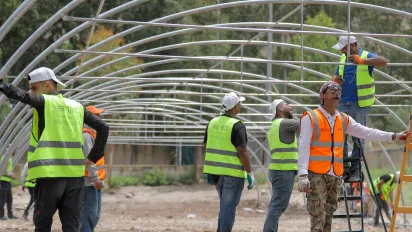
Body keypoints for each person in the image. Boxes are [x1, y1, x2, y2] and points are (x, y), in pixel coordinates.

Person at [0, 67, 109, 232]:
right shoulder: (78, 107)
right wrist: (93, 157)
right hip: (74, 177)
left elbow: (21, 95)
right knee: (72, 226)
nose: (32, 92)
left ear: (48, 85)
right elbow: (103, 127)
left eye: (34, 88)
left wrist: (3, 85)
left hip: (50, 175)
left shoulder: (45, 102)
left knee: (43, 224)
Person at [297, 81, 408, 232]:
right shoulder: (310, 118)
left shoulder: (343, 119)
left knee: (328, 217)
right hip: (316, 174)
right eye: (332, 90)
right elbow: (303, 146)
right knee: (318, 216)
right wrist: (303, 174)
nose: (337, 91)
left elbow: (366, 132)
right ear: (322, 95)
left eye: (338, 90)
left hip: (335, 174)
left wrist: (393, 136)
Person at [332, 35, 388, 181]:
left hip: (360, 104)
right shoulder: (343, 59)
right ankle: (343, 168)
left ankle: (355, 170)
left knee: (358, 136)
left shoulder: (365, 56)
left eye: (344, 49)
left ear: (353, 45)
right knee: (340, 136)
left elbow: (383, 61)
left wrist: (363, 61)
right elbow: (337, 74)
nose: (342, 52)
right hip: (343, 103)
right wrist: (336, 79)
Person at [203, 92, 255, 232]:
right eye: (240, 103)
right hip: (233, 174)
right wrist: (250, 172)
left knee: (224, 207)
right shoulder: (237, 125)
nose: (240, 106)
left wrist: (209, 169)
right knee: (228, 208)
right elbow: (242, 151)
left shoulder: (212, 123)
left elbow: (206, 146)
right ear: (236, 107)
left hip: (216, 174)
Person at [263, 99, 300, 232]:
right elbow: (300, 123)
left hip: (278, 170)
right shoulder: (283, 123)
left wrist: (287, 111)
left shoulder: (274, 125)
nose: (289, 106)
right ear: (280, 109)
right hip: (284, 171)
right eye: (285, 105)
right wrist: (290, 112)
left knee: (275, 204)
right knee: (279, 206)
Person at [80, 106, 106, 232]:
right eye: (97, 116)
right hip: (89, 182)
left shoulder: (93, 135)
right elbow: (89, 161)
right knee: (88, 215)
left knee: (94, 216)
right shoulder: (86, 136)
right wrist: (96, 178)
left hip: (94, 182)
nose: (100, 119)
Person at [0, 151, 17, 220]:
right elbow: (3, 170)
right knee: (2, 199)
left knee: (9, 199)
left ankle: (10, 214)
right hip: (3, 181)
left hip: (7, 181)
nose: (15, 151)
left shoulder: (9, 158)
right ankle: (1, 215)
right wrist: (11, 175)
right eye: (14, 150)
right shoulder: (6, 158)